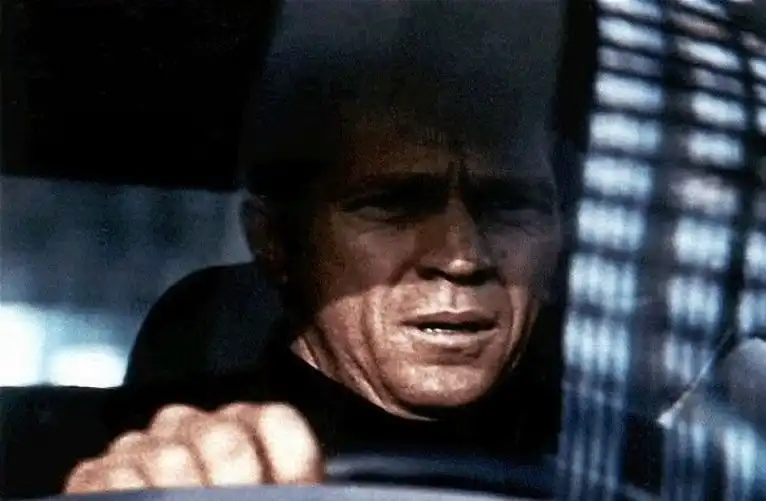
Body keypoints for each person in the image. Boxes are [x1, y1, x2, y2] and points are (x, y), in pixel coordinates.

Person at [64, 0, 571, 492]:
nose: (462, 257)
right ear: (276, 241)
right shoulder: (145, 460)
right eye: (393, 205)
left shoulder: (603, 460)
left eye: (510, 206)